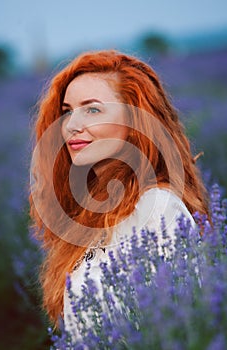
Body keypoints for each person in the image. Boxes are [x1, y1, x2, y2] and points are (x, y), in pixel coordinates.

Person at [29, 50, 208, 328]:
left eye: (92, 109)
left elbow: (188, 326)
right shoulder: (86, 214)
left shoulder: (156, 207)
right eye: (67, 112)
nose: (72, 126)